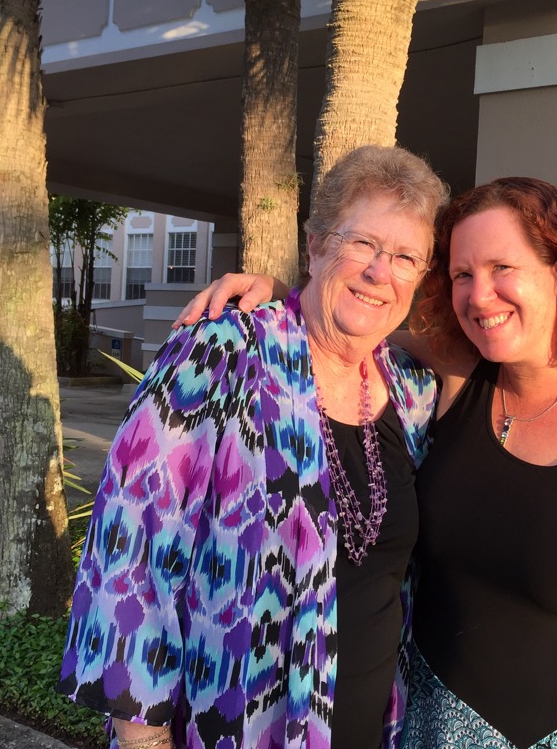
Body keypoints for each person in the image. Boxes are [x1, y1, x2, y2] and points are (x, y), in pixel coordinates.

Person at [175, 179, 557, 748]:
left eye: (502, 267)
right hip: (425, 729)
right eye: (462, 275)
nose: (480, 296)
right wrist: (282, 291)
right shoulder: (456, 375)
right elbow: (347, 328)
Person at [57, 145, 450, 749]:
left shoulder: (412, 391)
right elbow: (130, 552)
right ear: (316, 245)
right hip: (233, 728)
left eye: (405, 257)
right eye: (363, 244)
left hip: (376, 729)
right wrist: (144, 739)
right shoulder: (220, 356)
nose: (380, 272)